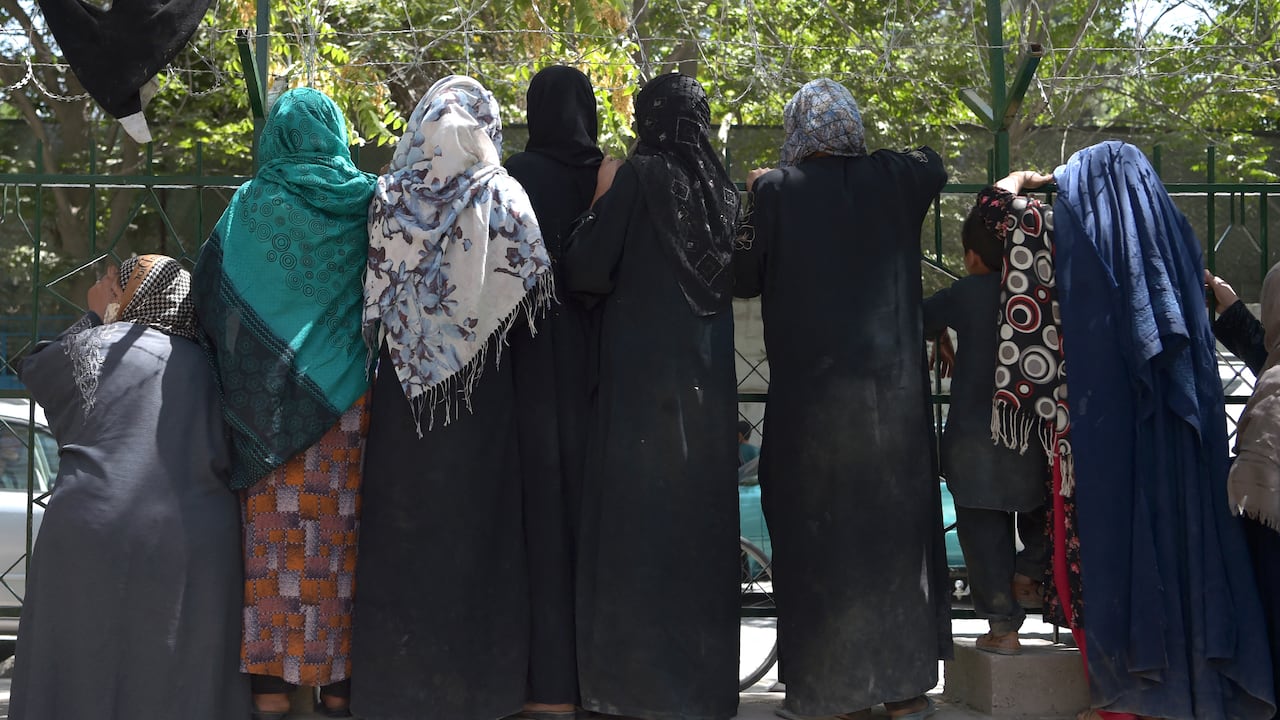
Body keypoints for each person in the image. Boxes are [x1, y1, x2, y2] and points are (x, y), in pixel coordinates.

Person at [733, 78, 950, 719]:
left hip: (813, 415)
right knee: (894, 539)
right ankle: (906, 688)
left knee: (816, 541)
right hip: (896, 415)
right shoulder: (894, 178)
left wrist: (755, 192)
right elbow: (933, 163)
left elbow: (742, 277)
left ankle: (831, 693)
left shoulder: (776, 190)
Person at [352, 75, 553, 720]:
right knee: (480, 535)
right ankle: (482, 688)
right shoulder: (507, 193)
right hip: (482, 398)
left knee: (402, 540)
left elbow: (374, 298)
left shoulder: (389, 198)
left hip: (404, 402)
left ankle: (395, 691)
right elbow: (533, 287)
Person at [1052, 140, 1274, 720]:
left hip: (1113, 436)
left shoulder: (1083, 239)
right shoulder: (1171, 238)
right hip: (1189, 438)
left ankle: (1143, 684)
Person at [191, 88, 377, 719]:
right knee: (339, 545)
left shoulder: (247, 207)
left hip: (267, 416)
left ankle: (270, 695)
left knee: (272, 550)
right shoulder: (367, 202)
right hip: (347, 408)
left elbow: (209, 299)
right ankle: (338, 688)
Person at [560, 72, 740, 720]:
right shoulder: (723, 191)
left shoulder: (642, 175)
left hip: (640, 391)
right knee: (699, 535)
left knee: (637, 532)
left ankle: (633, 691)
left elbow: (585, 268)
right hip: (706, 393)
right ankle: (702, 692)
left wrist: (599, 201)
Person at [11, 256, 248, 720]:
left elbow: (36, 368)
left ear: (129, 294)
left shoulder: (98, 346)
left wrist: (99, 315)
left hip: (94, 527)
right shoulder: (217, 367)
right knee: (182, 676)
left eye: (110, 283)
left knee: (81, 668)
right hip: (196, 538)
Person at [504, 65, 602, 720]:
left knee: (536, 526)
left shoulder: (516, 174)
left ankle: (543, 687)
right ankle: (599, 679)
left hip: (531, 366)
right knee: (594, 526)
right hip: (601, 368)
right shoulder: (609, 174)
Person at [923, 171, 1054, 656]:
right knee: (1039, 507)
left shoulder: (964, 293)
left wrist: (941, 336)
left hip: (975, 439)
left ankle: (1003, 630)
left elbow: (919, 318)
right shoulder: (1038, 293)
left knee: (982, 533)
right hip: (1029, 429)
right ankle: (1031, 572)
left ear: (973, 256)